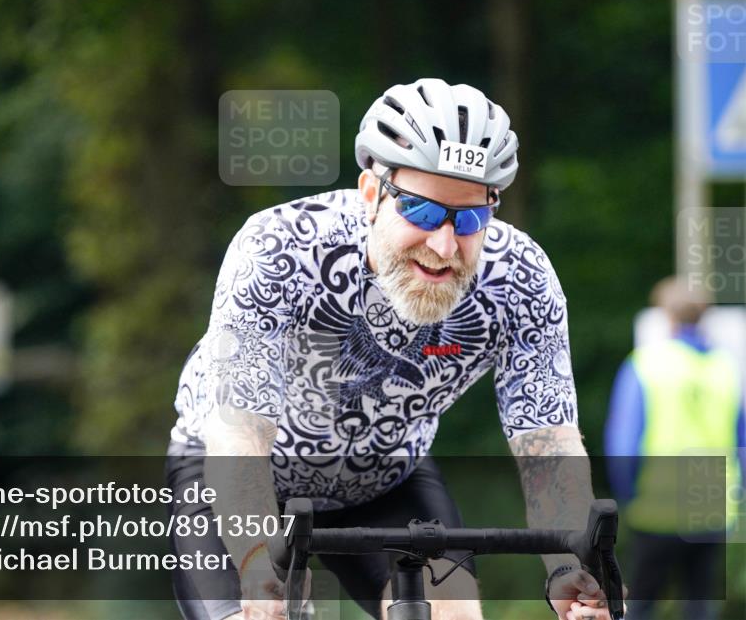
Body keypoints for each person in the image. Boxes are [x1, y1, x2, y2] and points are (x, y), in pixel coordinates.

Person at [166, 78, 614, 620]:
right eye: (423, 213)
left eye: (470, 219)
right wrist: (258, 558)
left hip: (388, 476)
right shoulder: (279, 248)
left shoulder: (519, 279)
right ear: (373, 192)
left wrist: (570, 567)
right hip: (244, 470)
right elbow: (240, 432)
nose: (444, 246)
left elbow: (547, 440)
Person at [605, 277, 745, 620]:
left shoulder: (645, 364)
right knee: (699, 604)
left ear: (665, 316)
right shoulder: (726, 369)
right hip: (711, 507)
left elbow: (623, 446)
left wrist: (627, 495)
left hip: (656, 508)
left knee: (640, 605)